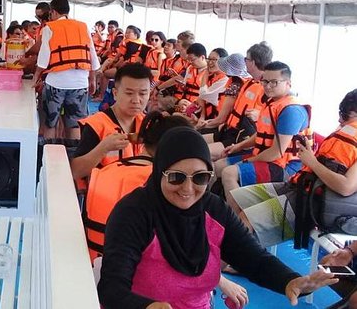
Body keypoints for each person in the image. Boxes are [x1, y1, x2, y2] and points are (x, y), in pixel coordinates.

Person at [97, 126, 338, 309]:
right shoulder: (132, 213)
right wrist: (147, 306)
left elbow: (253, 258)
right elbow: (111, 288)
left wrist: (289, 281)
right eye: (176, 177)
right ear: (159, 172)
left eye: (200, 177)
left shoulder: (213, 210)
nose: (188, 189)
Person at [231, 89, 357, 248]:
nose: (340, 119)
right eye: (341, 113)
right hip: (300, 188)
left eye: (346, 115)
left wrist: (312, 162)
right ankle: (245, 251)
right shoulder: (347, 135)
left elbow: (346, 187)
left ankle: (234, 262)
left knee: (245, 220)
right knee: (237, 199)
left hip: (313, 204)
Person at [83, 109, 190, 262]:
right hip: (135, 273)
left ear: (144, 143)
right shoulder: (165, 184)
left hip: (92, 264)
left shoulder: (103, 172)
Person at [218, 62, 311, 212]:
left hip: (285, 168)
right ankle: (218, 208)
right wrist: (239, 146)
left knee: (229, 173)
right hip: (265, 157)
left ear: (288, 83)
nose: (268, 86)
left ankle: (238, 221)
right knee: (219, 165)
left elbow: (276, 152)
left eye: (274, 82)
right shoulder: (271, 103)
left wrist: (246, 160)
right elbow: (261, 134)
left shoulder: (291, 111)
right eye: (265, 81)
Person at [34, 0, 100, 140]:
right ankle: (72, 157)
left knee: (51, 123)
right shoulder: (83, 27)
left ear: (53, 12)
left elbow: (44, 57)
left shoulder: (49, 28)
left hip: (55, 83)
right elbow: (92, 54)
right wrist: (93, 79)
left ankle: (49, 155)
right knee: (74, 124)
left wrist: (35, 78)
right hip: (80, 84)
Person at [206, 42, 273, 161]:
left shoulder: (268, 88)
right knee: (195, 142)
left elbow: (273, 116)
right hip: (231, 131)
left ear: (252, 62)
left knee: (202, 151)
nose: (244, 62)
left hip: (245, 139)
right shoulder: (249, 82)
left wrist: (259, 114)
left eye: (246, 59)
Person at [198, 53, 248, 140]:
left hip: (231, 132)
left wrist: (197, 127)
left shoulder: (234, 85)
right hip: (227, 126)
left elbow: (221, 119)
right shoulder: (244, 82)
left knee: (194, 136)